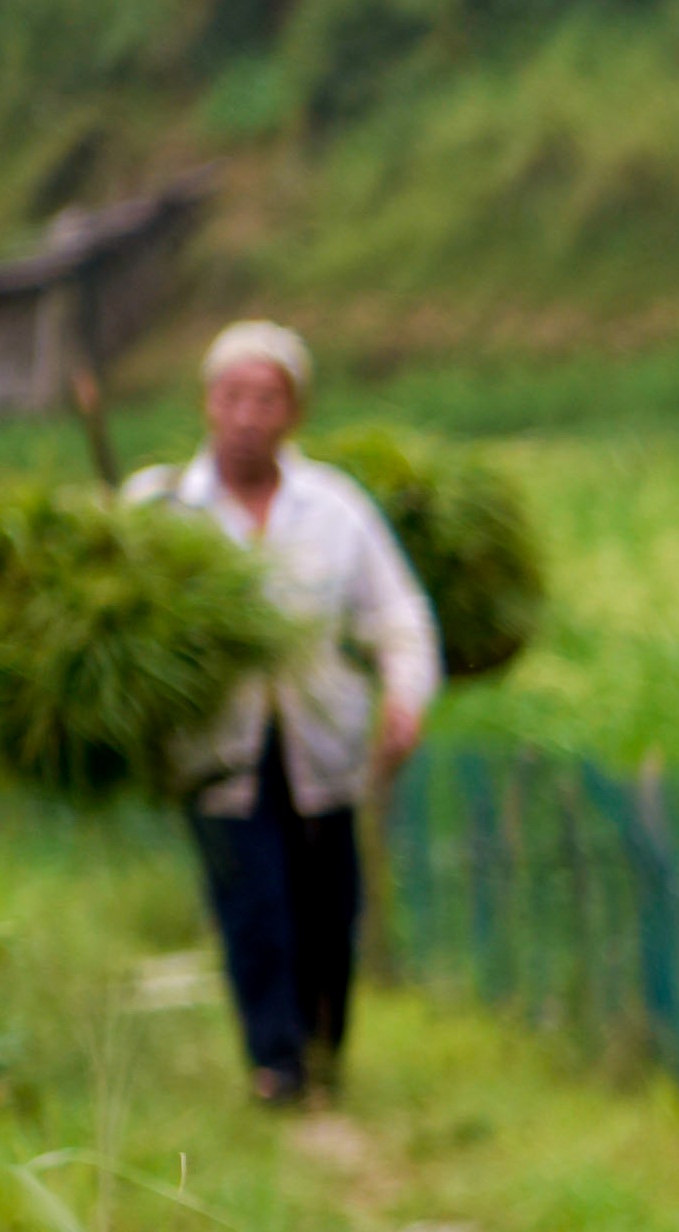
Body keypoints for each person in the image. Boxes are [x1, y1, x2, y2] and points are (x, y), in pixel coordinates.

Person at [130, 320, 439, 1106]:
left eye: (266, 399)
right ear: (207, 404)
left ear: (294, 411)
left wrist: (406, 697)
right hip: (215, 753)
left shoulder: (337, 510)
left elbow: (397, 612)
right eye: (232, 397)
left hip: (322, 749)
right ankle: (276, 1066)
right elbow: (117, 612)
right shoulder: (161, 508)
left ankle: (322, 1048)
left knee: (328, 912)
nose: (247, 415)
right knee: (254, 908)